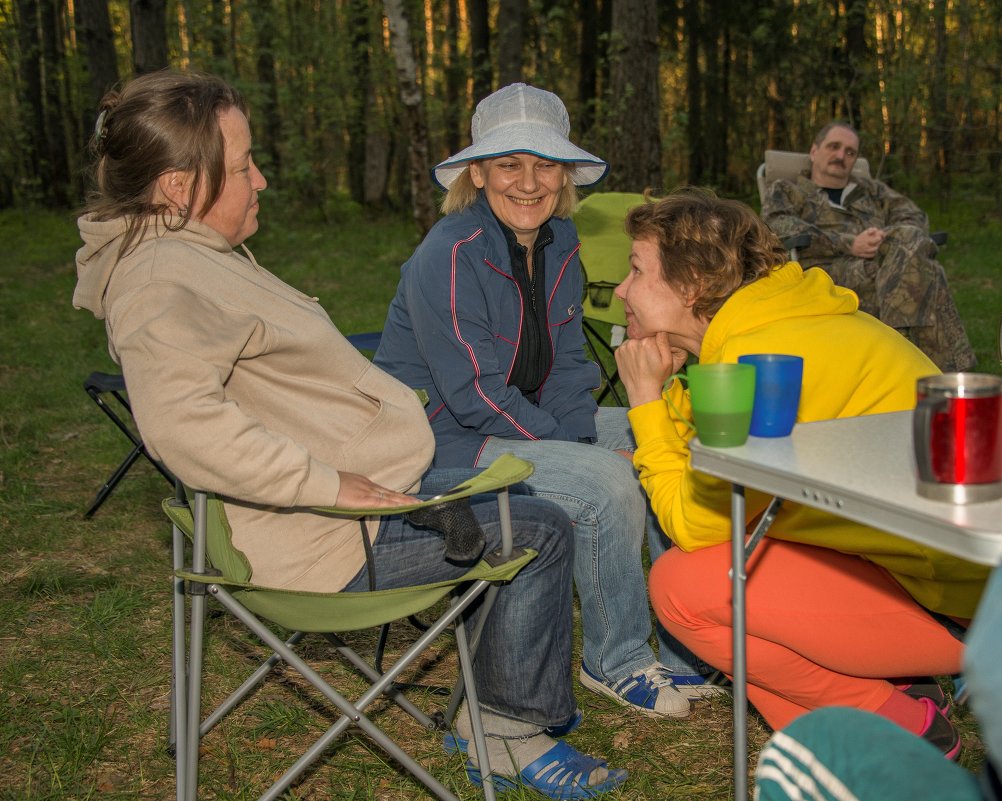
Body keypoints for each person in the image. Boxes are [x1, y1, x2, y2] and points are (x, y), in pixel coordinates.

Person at [71, 70, 627, 799]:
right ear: (179, 187)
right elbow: (182, 423)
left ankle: (497, 700)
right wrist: (330, 484)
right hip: (322, 534)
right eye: (242, 166)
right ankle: (507, 731)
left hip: (342, 504)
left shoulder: (188, 253)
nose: (261, 179)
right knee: (539, 529)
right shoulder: (158, 278)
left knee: (515, 497)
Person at [374, 82, 717, 720]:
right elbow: (473, 393)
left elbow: (566, 363)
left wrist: (580, 430)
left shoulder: (560, 245)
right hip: (438, 437)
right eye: (509, 164)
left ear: (564, 176)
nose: (529, 182)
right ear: (477, 172)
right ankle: (616, 662)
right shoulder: (448, 254)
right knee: (608, 481)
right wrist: (574, 450)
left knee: (673, 439)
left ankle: (684, 647)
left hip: (517, 416)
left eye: (545, 165)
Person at [612, 187, 990, 757]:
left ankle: (900, 724)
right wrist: (660, 424)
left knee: (684, 588)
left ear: (689, 285)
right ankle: (876, 719)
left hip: (964, 605)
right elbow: (700, 457)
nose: (619, 290)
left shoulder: (760, 361)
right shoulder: (767, 329)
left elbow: (695, 521)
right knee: (717, 569)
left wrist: (644, 400)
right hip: (910, 570)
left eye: (635, 270)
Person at [755, 562, 1002, 800]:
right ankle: (901, 689)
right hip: (944, 604)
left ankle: (906, 717)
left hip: (956, 613)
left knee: (801, 749)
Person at [761, 121, 976, 373]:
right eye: (834, 146)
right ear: (814, 151)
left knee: (912, 254)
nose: (841, 155)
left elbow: (914, 216)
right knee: (927, 272)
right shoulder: (788, 190)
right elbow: (778, 227)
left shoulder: (872, 191)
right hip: (825, 272)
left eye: (850, 152)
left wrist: (883, 238)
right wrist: (850, 243)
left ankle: (914, 366)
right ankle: (946, 371)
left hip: (887, 264)